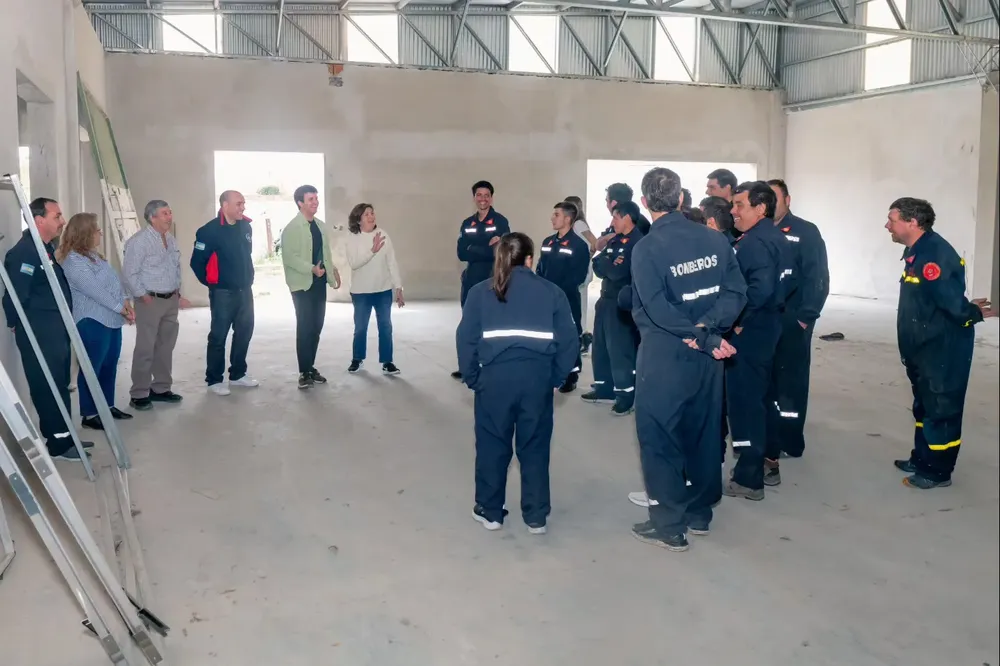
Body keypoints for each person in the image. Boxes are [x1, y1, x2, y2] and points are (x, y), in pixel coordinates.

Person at [629, 168, 747, 552]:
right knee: (702, 431)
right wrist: (710, 331)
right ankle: (699, 513)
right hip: (708, 358)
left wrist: (698, 335)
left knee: (660, 437)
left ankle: (668, 524)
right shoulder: (714, 238)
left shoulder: (646, 248)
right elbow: (736, 291)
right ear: (681, 199)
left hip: (667, 354)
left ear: (645, 204)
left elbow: (657, 307)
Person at [456, 232, 578, 534]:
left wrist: (474, 378)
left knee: (492, 445)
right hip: (536, 380)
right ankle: (536, 515)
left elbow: (466, 340)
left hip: (494, 381)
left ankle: (490, 510)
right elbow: (570, 342)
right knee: (534, 446)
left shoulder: (480, 292)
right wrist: (556, 377)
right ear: (530, 259)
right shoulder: (552, 293)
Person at [887, 197, 995, 489]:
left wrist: (971, 313)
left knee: (941, 409)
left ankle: (937, 471)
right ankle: (922, 458)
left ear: (912, 222)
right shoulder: (917, 251)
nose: (888, 226)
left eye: (892, 219)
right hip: (922, 348)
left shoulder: (934, 255)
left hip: (941, 349)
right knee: (924, 406)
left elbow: (952, 305)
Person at [3, 198, 93, 461]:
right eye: (57, 216)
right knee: (47, 385)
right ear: (39, 220)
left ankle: (66, 435)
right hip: (40, 331)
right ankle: (58, 444)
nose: (62, 221)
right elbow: (15, 295)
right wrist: (15, 323)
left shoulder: (45, 248)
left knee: (60, 383)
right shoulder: (25, 253)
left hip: (56, 328)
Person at [724, 182, 793, 501]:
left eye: (739, 205)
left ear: (760, 209)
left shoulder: (753, 244)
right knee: (763, 399)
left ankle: (748, 478)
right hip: (769, 326)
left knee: (746, 405)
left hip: (752, 332)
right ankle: (766, 462)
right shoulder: (775, 237)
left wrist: (736, 323)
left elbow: (757, 290)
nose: (733, 211)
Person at [763, 179, 830, 480]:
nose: (769, 204)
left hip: (793, 320)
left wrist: (806, 317)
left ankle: (791, 439)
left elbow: (818, 278)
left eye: (774, 198)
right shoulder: (756, 231)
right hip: (764, 322)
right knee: (767, 381)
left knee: (791, 381)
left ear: (787, 200)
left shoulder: (805, 232)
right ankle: (768, 438)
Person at [57, 213, 135, 430]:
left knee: (109, 365)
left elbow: (113, 284)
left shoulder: (94, 256)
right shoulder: (73, 260)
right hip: (92, 320)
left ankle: (107, 406)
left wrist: (125, 303)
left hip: (111, 319)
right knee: (92, 368)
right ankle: (90, 414)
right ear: (84, 233)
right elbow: (94, 290)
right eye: (96, 230)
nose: (100, 233)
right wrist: (121, 308)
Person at [122, 199, 191, 411]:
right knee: (146, 347)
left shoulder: (170, 239)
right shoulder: (139, 242)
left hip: (170, 299)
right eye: (164, 214)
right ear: (152, 217)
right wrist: (143, 296)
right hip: (149, 301)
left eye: (170, 212)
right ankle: (139, 393)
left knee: (165, 346)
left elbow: (174, 268)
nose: (169, 217)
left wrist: (178, 293)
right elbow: (129, 273)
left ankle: (161, 388)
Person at [190, 190, 259, 395]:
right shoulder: (208, 231)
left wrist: (249, 278)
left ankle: (238, 374)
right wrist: (214, 283)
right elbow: (197, 262)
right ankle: (214, 379)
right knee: (219, 336)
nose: (242, 207)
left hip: (245, 290)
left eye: (243, 203)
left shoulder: (245, 226)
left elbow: (247, 255)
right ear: (225, 205)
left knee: (244, 332)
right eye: (238, 204)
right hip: (223, 293)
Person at [582, 200, 644, 416]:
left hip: (621, 302)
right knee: (601, 347)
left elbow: (619, 273)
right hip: (605, 299)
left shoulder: (637, 243)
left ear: (627, 217)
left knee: (620, 350)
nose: (612, 221)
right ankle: (604, 388)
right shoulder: (616, 240)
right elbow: (598, 264)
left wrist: (608, 264)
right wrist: (608, 263)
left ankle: (625, 395)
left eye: (615, 217)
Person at [280, 185, 343, 389]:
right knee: (305, 326)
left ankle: (310, 366)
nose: (315, 202)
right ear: (300, 203)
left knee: (316, 326)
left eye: (316, 198)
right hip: (301, 284)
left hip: (319, 283)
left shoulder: (320, 226)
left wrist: (332, 274)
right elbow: (290, 258)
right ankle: (303, 372)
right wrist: (311, 269)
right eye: (310, 199)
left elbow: (326, 254)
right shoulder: (292, 228)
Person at [452, 180, 511, 381]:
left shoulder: (501, 222)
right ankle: (468, 365)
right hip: (471, 280)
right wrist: (486, 248)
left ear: (491, 198)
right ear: (474, 197)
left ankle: (490, 364)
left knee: (491, 322)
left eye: (486, 195)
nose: (483, 199)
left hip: (492, 279)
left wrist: (474, 249)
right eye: (479, 195)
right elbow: (461, 253)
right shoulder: (467, 223)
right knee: (469, 323)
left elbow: (501, 252)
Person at [535, 201, 591, 392]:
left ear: (568, 219)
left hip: (567, 299)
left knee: (570, 336)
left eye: (556, 215)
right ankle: (553, 370)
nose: (552, 218)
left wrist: (556, 292)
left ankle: (571, 374)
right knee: (550, 335)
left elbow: (578, 276)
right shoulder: (548, 242)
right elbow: (540, 269)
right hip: (546, 299)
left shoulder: (579, 245)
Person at [344, 203, 404, 375]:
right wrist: (373, 250)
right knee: (360, 327)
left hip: (383, 290)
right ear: (358, 219)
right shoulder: (351, 237)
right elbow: (354, 263)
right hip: (361, 292)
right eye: (366, 214)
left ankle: (387, 361)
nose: (371, 216)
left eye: (372, 213)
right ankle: (357, 359)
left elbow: (392, 262)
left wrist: (398, 287)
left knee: (385, 326)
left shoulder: (383, 235)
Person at [563, 195, 598, 356]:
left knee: (579, 303)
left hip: (581, 270)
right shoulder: (577, 224)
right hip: (579, 269)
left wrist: (587, 256)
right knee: (579, 302)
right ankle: (582, 335)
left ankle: (583, 336)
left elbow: (594, 242)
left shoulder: (578, 224)